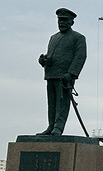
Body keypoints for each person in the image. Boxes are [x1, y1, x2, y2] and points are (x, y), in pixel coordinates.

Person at [36, 8, 87, 136]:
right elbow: (51, 56)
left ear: (71, 22)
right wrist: (44, 60)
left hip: (64, 77)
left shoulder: (78, 38)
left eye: (65, 20)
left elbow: (80, 56)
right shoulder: (53, 38)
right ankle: (51, 126)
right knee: (51, 103)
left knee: (62, 103)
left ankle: (58, 127)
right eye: (60, 20)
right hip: (51, 74)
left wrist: (71, 73)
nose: (62, 23)